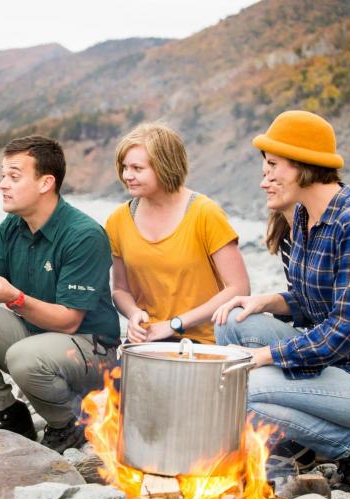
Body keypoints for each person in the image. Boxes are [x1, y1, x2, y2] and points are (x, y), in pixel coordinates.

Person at [213, 110, 350, 496]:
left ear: (304, 166)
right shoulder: (304, 215)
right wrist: (262, 301)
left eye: (272, 166)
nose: (263, 179)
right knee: (232, 320)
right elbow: (310, 300)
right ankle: (303, 442)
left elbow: (342, 331)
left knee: (241, 387)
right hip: (332, 364)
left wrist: (262, 356)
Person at [0, 135, 121, 454]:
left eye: (14, 176)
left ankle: (70, 425)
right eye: (3, 175)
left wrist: (14, 298)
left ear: (46, 182)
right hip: (36, 338)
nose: (2, 184)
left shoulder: (83, 234)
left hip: (93, 351)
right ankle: (4, 414)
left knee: (25, 357)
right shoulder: (12, 226)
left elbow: (68, 322)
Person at [106, 123, 249, 344]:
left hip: (206, 343)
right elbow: (120, 289)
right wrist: (134, 314)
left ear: (164, 166)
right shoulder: (118, 220)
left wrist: (175, 323)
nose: (127, 175)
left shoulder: (205, 213)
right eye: (125, 167)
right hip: (147, 340)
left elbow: (239, 288)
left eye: (137, 168)